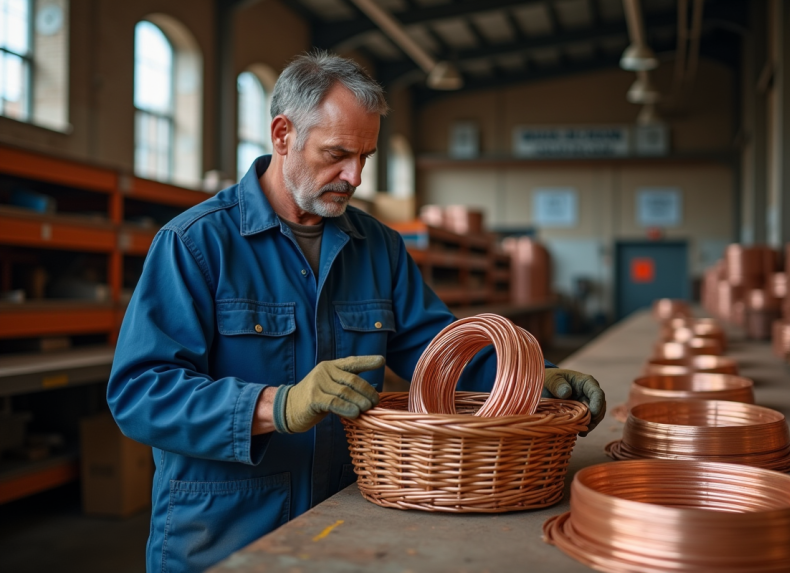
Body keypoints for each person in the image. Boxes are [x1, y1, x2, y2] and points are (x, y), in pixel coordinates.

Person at [107, 51, 605, 573]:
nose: (354, 176)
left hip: (343, 518)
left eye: (365, 156)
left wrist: (534, 378)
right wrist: (277, 405)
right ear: (282, 135)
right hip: (223, 531)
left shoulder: (378, 247)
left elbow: (438, 351)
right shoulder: (196, 244)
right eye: (338, 154)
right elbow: (140, 392)